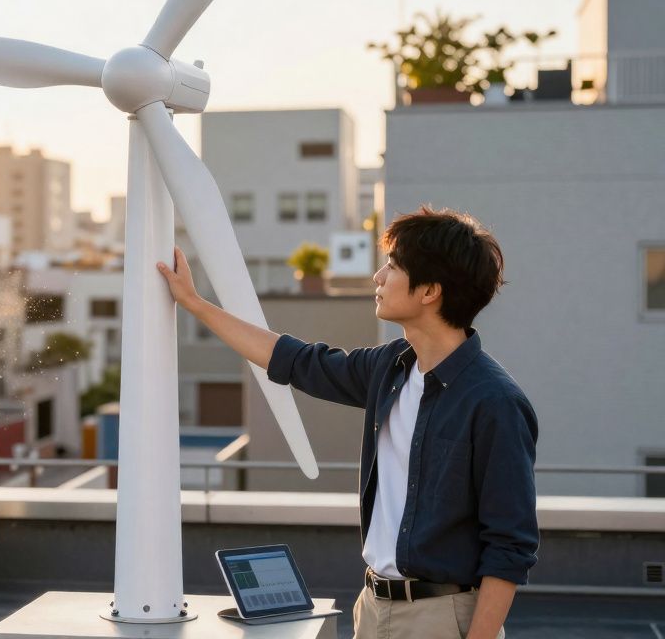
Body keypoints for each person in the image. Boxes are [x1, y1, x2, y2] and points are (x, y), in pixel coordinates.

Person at [156, 206, 538, 639]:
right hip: (372, 608)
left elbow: (510, 546)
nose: (378, 276)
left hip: (444, 619)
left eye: (392, 267)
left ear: (430, 290)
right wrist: (193, 303)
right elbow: (293, 361)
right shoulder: (388, 369)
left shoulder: (496, 402)